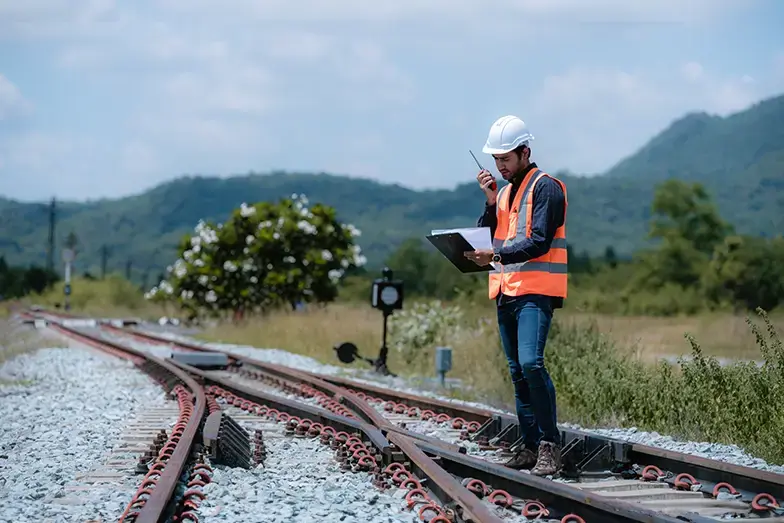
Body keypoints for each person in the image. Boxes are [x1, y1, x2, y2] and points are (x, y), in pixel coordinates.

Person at [463, 115, 567, 477]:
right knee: (517, 372)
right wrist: (491, 202)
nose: (500, 166)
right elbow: (489, 234)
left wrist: (493, 256)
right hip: (506, 291)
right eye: (496, 160)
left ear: (525, 152)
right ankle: (528, 445)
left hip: (536, 292)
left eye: (505, 159)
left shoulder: (547, 187)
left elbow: (538, 241)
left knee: (531, 364)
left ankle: (550, 446)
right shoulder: (505, 192)